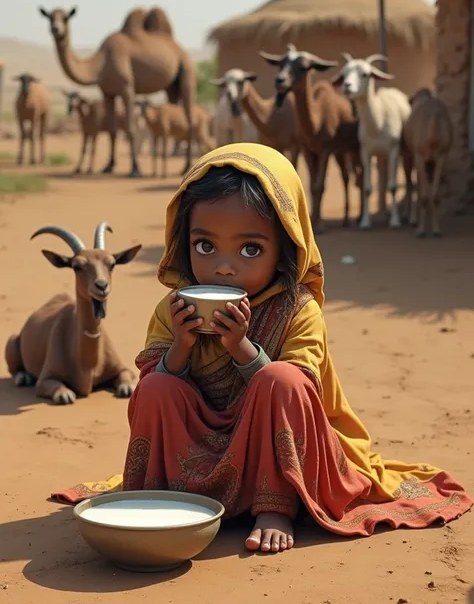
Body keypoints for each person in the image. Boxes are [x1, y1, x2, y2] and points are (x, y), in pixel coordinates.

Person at [52, 143, 472, 553]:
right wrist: (181, 344)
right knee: (156, 386)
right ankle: (171, 495)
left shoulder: (298, 311)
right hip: (198, 447)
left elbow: (300, 392)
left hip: (274, 448)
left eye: (250, 248)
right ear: (184, 241)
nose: (224, 265)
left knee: (280, 378)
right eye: (205, 245)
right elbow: (152, 391)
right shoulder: (174, 308)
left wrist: (241, 347)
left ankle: (275, 506)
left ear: (286, 246)